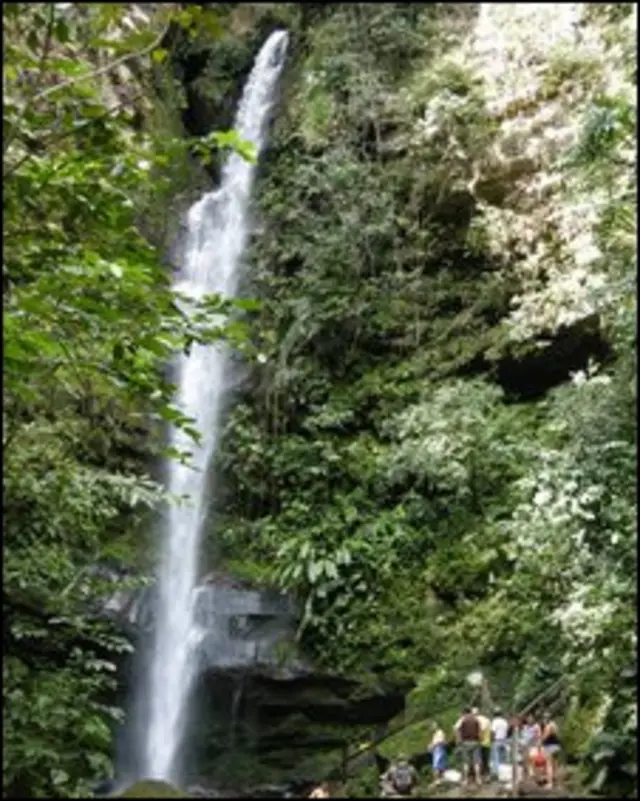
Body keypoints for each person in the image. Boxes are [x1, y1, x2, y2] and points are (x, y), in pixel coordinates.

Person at [454, 707, 482, 785]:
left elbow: (456, 729)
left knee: (466, 762)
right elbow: (480, 730)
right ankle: (478, 779)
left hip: (465, 742)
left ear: (464, 713)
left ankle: (466, 780)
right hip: (475, 742)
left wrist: (458, 740)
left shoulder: (462, 719)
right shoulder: (476, 719)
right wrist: (479, 739)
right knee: (477, 762)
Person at [541, 711, 562, 788]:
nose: (544, 719)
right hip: (557, 746)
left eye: (545, 717)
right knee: (556, 766)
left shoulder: (548, 726)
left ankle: (550, 783)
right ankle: (558, 784)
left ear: (547, 718)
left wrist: (540, 741)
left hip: (549, 746)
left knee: (549, 765)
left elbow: (545, 737)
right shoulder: (555, 725)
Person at [490, 707, 510, 778]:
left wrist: (491, 740)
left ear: (494, 714)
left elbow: (493, 732)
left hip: (496, 741)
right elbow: (507, 731)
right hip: (504, 741)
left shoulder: (495, 721)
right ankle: (504, 774)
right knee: (503, 759)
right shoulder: (504, 722)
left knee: (495, 758)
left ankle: (496, 773)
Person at [473, 706, 491, 779]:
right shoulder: (486, 719)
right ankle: (486, 775)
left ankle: (480, 775)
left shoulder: (477, 720)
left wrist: (479, 739)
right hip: (487, 742)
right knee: (485, 760)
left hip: (479, 743)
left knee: (478, 760)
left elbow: (481, 731)